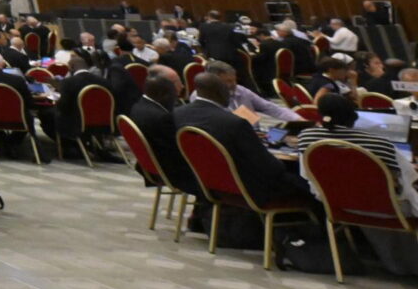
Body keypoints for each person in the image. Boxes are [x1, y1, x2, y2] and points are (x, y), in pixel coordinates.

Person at [173, 69, 312, 205]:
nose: (232, 86)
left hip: (212, 182)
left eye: (234, 81)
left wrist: (301, 121)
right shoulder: (233, 123)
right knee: (311, 186)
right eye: (227, 83)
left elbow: (272, 108)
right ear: (218, 88)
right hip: (249, 186)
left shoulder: (177, 114)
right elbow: (271, 167)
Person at [291, 92, 402, 170]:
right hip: (377, 195)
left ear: (320, 114)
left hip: (326, 193)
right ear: (353, 116)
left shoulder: (306, 137)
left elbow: (306, 174)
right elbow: (403, 178)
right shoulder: (381, 144)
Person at [129, 70, 197, 193]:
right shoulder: (161, 117)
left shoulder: (138, 107)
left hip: (152, 166)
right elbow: (177, 150)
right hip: (172, 172)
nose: (176, 97)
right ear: (164, 95)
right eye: (173, 94)